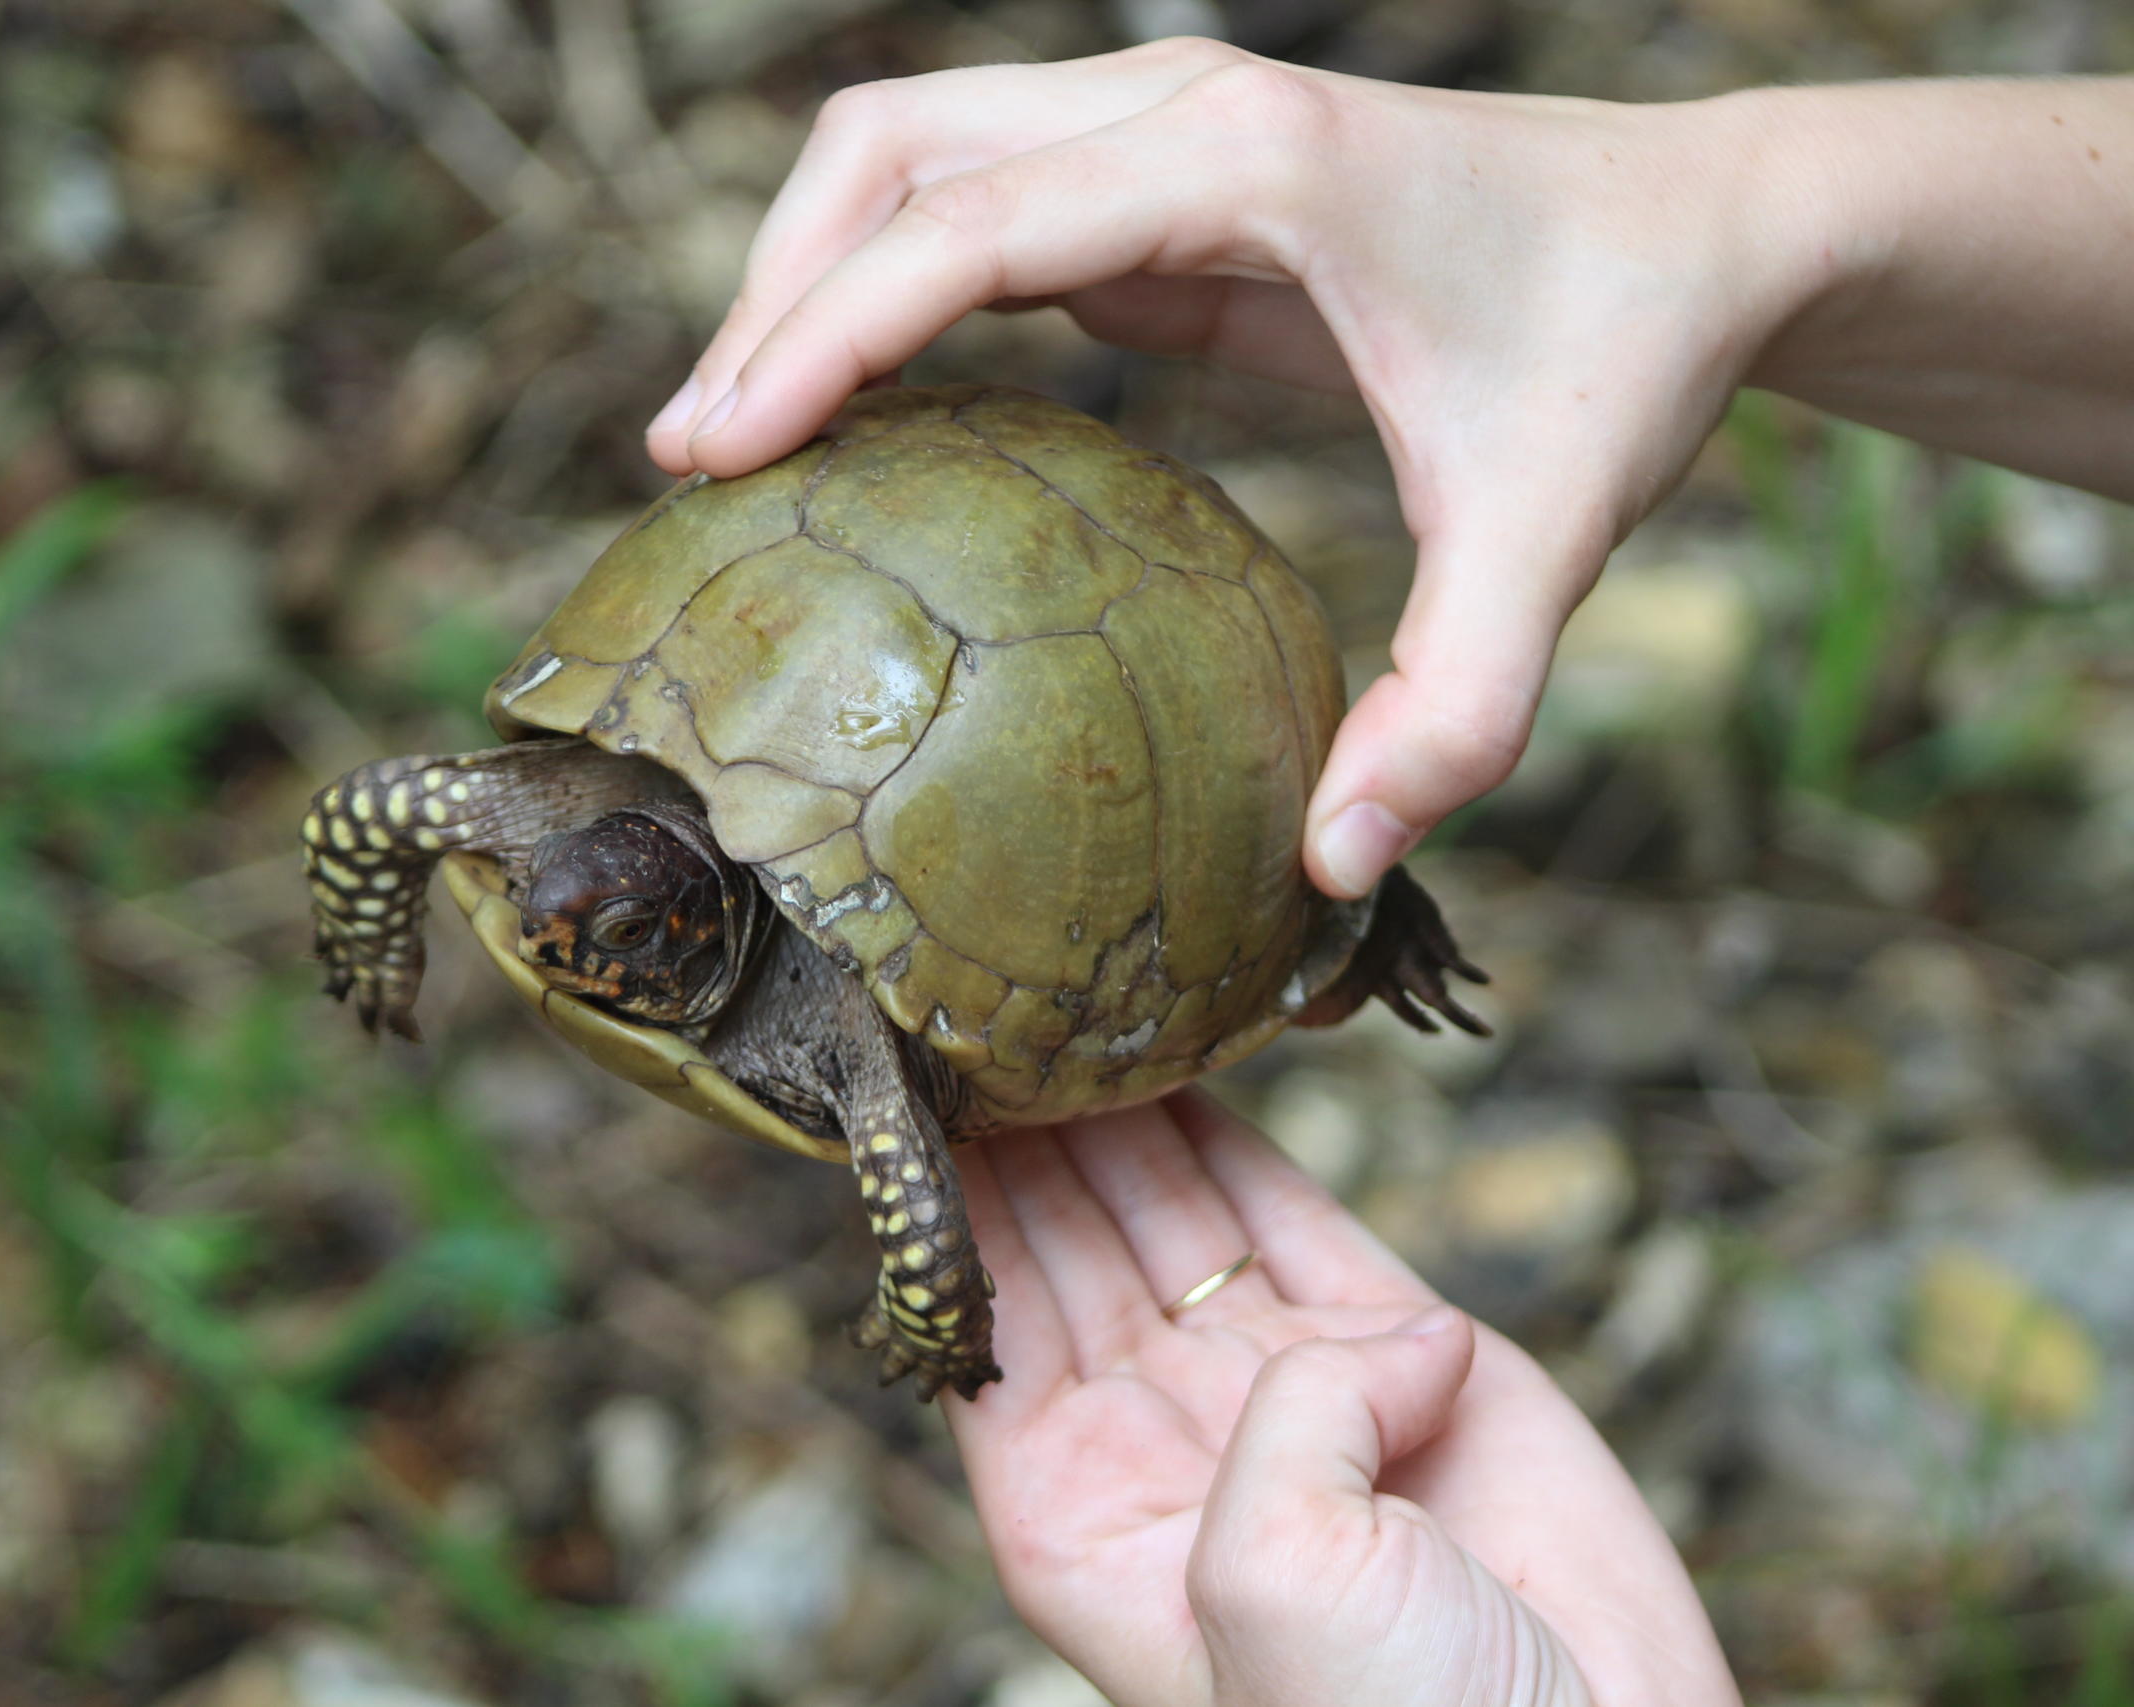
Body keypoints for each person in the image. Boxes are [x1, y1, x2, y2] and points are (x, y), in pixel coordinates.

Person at [645, 43, 2134, 1705]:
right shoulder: (598, 863)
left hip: (1133, 793)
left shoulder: (841, 1020)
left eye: (622, 927)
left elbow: (917, 1208)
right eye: (582, 917)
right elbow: (444, 814)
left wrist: (934, 1321)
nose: (583, 939)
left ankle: (1354, 915)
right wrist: (1738, 217)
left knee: (1018, 1109)